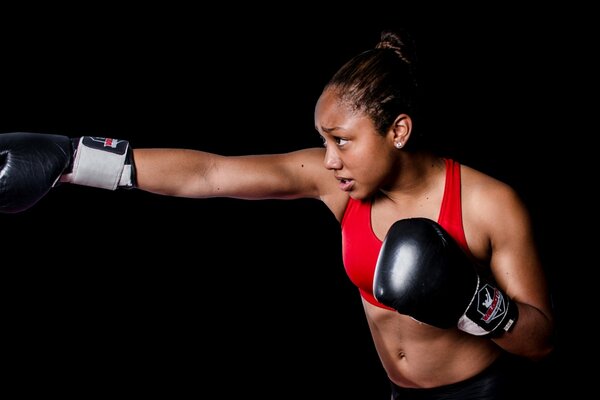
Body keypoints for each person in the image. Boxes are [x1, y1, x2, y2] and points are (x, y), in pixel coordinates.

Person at [0, 29, 554, 399]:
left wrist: (478, 306)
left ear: (399, 131)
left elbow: (542, 342)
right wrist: (75, 158)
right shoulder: (339, 184)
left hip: (482, 393)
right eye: (323, 141)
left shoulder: (488, 203)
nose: (329, 159)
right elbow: (210, 174)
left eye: (342, 140)